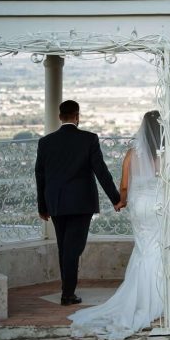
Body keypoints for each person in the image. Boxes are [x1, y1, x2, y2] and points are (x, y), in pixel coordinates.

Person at [68, 110, 170, 339]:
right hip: (159, 206)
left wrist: (122, 201)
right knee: (158, 249)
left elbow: (124, 185)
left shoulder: (131, 154)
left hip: (139, 207)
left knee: (143, 248)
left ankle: (137, 297)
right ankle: (157, 299)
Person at [35, 99, 123, 306]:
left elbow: (40, 176)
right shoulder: (89, 139)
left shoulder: (45, 142)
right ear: (77, 116)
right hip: (81, 203)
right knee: (73, 248)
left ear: (60, 117)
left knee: (64, 247)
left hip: (55, 202)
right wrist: (116, 198)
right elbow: (101, 171)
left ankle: (67, 290)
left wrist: (42, 207)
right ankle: (67, 294)